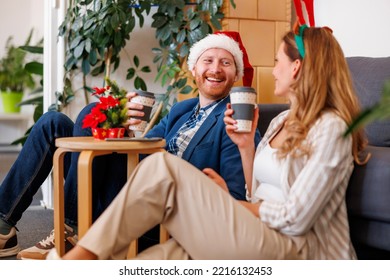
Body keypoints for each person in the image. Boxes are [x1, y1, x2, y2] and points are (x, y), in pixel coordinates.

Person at [55, 25, 369, 260]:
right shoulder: (280, 121)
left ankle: (78, 259)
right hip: (260, 232)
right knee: (158, 259)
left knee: (164, 167)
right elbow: (258, 192)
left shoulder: (331, 128)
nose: (273, 70)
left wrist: (233, 205)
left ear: (296, 67)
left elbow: (296, 217)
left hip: (300, 251)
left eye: (277, 61)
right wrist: (247, 148)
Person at [0, 32, 260, 259]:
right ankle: (4, 226)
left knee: (91, 111)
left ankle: (73, 228)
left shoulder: (234, 120)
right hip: (130, 184)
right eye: (208, 60)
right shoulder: (182, 109)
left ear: (235, 74)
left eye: (226, 63)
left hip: (158, 213)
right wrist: (123, 122)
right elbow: (142, 144)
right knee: (52, 123)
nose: (215, 69)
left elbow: (238, 197)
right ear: (194, 69)